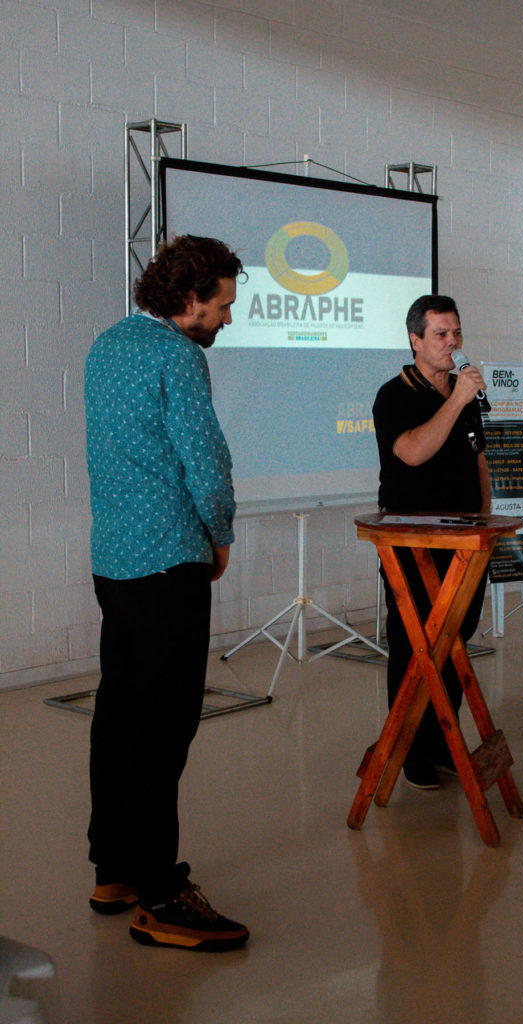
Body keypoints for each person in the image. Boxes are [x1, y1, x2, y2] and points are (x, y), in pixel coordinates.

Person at [84, 235, 249, 952]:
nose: (227, 319)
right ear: (187, 299)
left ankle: (115, 870)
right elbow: (205, 460)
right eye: (221, 306)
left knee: (119, 716)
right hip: (169, 561)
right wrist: (221, 533)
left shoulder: (107, 344)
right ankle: (161, 893)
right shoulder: (177, 356)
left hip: (115, 563)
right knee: (161, 730)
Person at [372, 294, 491, 791]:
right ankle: (411, 751)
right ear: (415, 340)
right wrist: (457, 400)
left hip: (467, 541)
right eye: (441, 334)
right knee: (415, 644)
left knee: (454, 641)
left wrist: (487, 521)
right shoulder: (394, 396)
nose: (452, 342)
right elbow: (413, 453)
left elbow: (478, 459)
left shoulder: (464, 393)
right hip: (414, 545)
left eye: (456, 332)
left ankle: (444, 741)